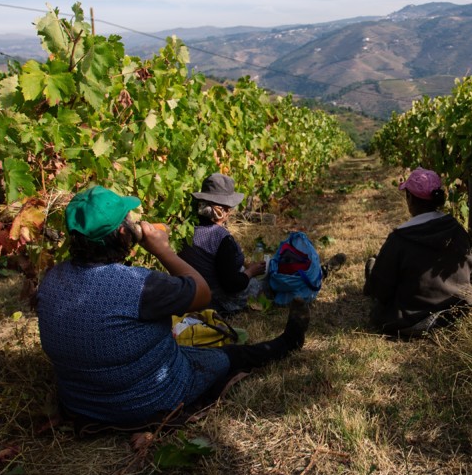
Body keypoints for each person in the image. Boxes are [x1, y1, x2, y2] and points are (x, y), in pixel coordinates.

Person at [35, 184, 309, 428]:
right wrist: (162, 250)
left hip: (82, 405)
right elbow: (200, 293)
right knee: (229, 356)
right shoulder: (139, 285)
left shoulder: (51, 280)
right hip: (146, 401)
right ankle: (287, 343)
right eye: (128, 220)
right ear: (121, 233)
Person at [363, 167, 472, 338]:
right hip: (456, 312)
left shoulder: (399, 238)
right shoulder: (457, 230)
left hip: (411, 319)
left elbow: (381, 291)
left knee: (375, 276)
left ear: (410, 199)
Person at [177, 173, 267, 315]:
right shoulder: (222, 239)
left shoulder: (185, 229)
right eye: (228, 208)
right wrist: (251, 272)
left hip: (189, 295)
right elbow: (232, 285)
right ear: (221, 211)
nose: (230, 212)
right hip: (216, 300)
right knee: (265, 284)